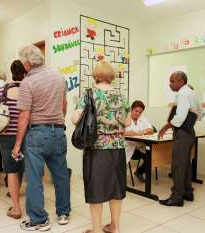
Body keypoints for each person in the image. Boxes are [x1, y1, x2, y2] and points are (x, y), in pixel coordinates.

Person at [12, 45, 71, 231]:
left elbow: (24, 116)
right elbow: (64, 106)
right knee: (61, 174)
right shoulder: (59, 77)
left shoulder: (27, 83)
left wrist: (17, 144)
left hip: (37, 133)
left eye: (22, 61)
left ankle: (39, 220)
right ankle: (63, 213)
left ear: (27, 63)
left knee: (35, 178)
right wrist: (57, 123)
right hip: (58, 131)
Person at [72, 60, 129, 233]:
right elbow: (127, 122)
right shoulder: (120, 95)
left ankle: (96, 230)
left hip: (96, 148)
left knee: (95, 187)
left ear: (95, 75)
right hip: (118, 148)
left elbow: (75, 119)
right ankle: (115, 227)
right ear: (111, 76)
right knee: (116, 187)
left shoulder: (89, 94)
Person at [158, 71, 201, 207]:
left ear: (181, 81)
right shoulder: (190, 92)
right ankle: (187, 192)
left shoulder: (183, 93)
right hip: (189, 132)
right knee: (185, 164)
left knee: (177, 165)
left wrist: (166, 126)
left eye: (172, 81)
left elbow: (180, 116)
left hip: (182, 132)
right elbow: (200, 113)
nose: (170, 84)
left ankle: (177, 197)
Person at [0, 60, 27, 219]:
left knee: (12, 171)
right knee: (26, 168)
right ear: (25, 72)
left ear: (11, 71)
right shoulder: (28, 89)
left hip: (6, 135)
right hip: (26, 135)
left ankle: (16, 208)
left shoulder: (2, 89)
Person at [124, 100, 154, 182]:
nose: (138, 114)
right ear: (131, 109)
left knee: (151, 157)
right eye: (136, 111)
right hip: (128, 147)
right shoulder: (125, 117)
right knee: (121, 162)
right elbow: (121, 132)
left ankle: (139, 172)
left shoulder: (143, 118)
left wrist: (142, 132)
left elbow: (151, 129)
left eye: (140, 112)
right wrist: (133, 133)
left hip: (140, 147)